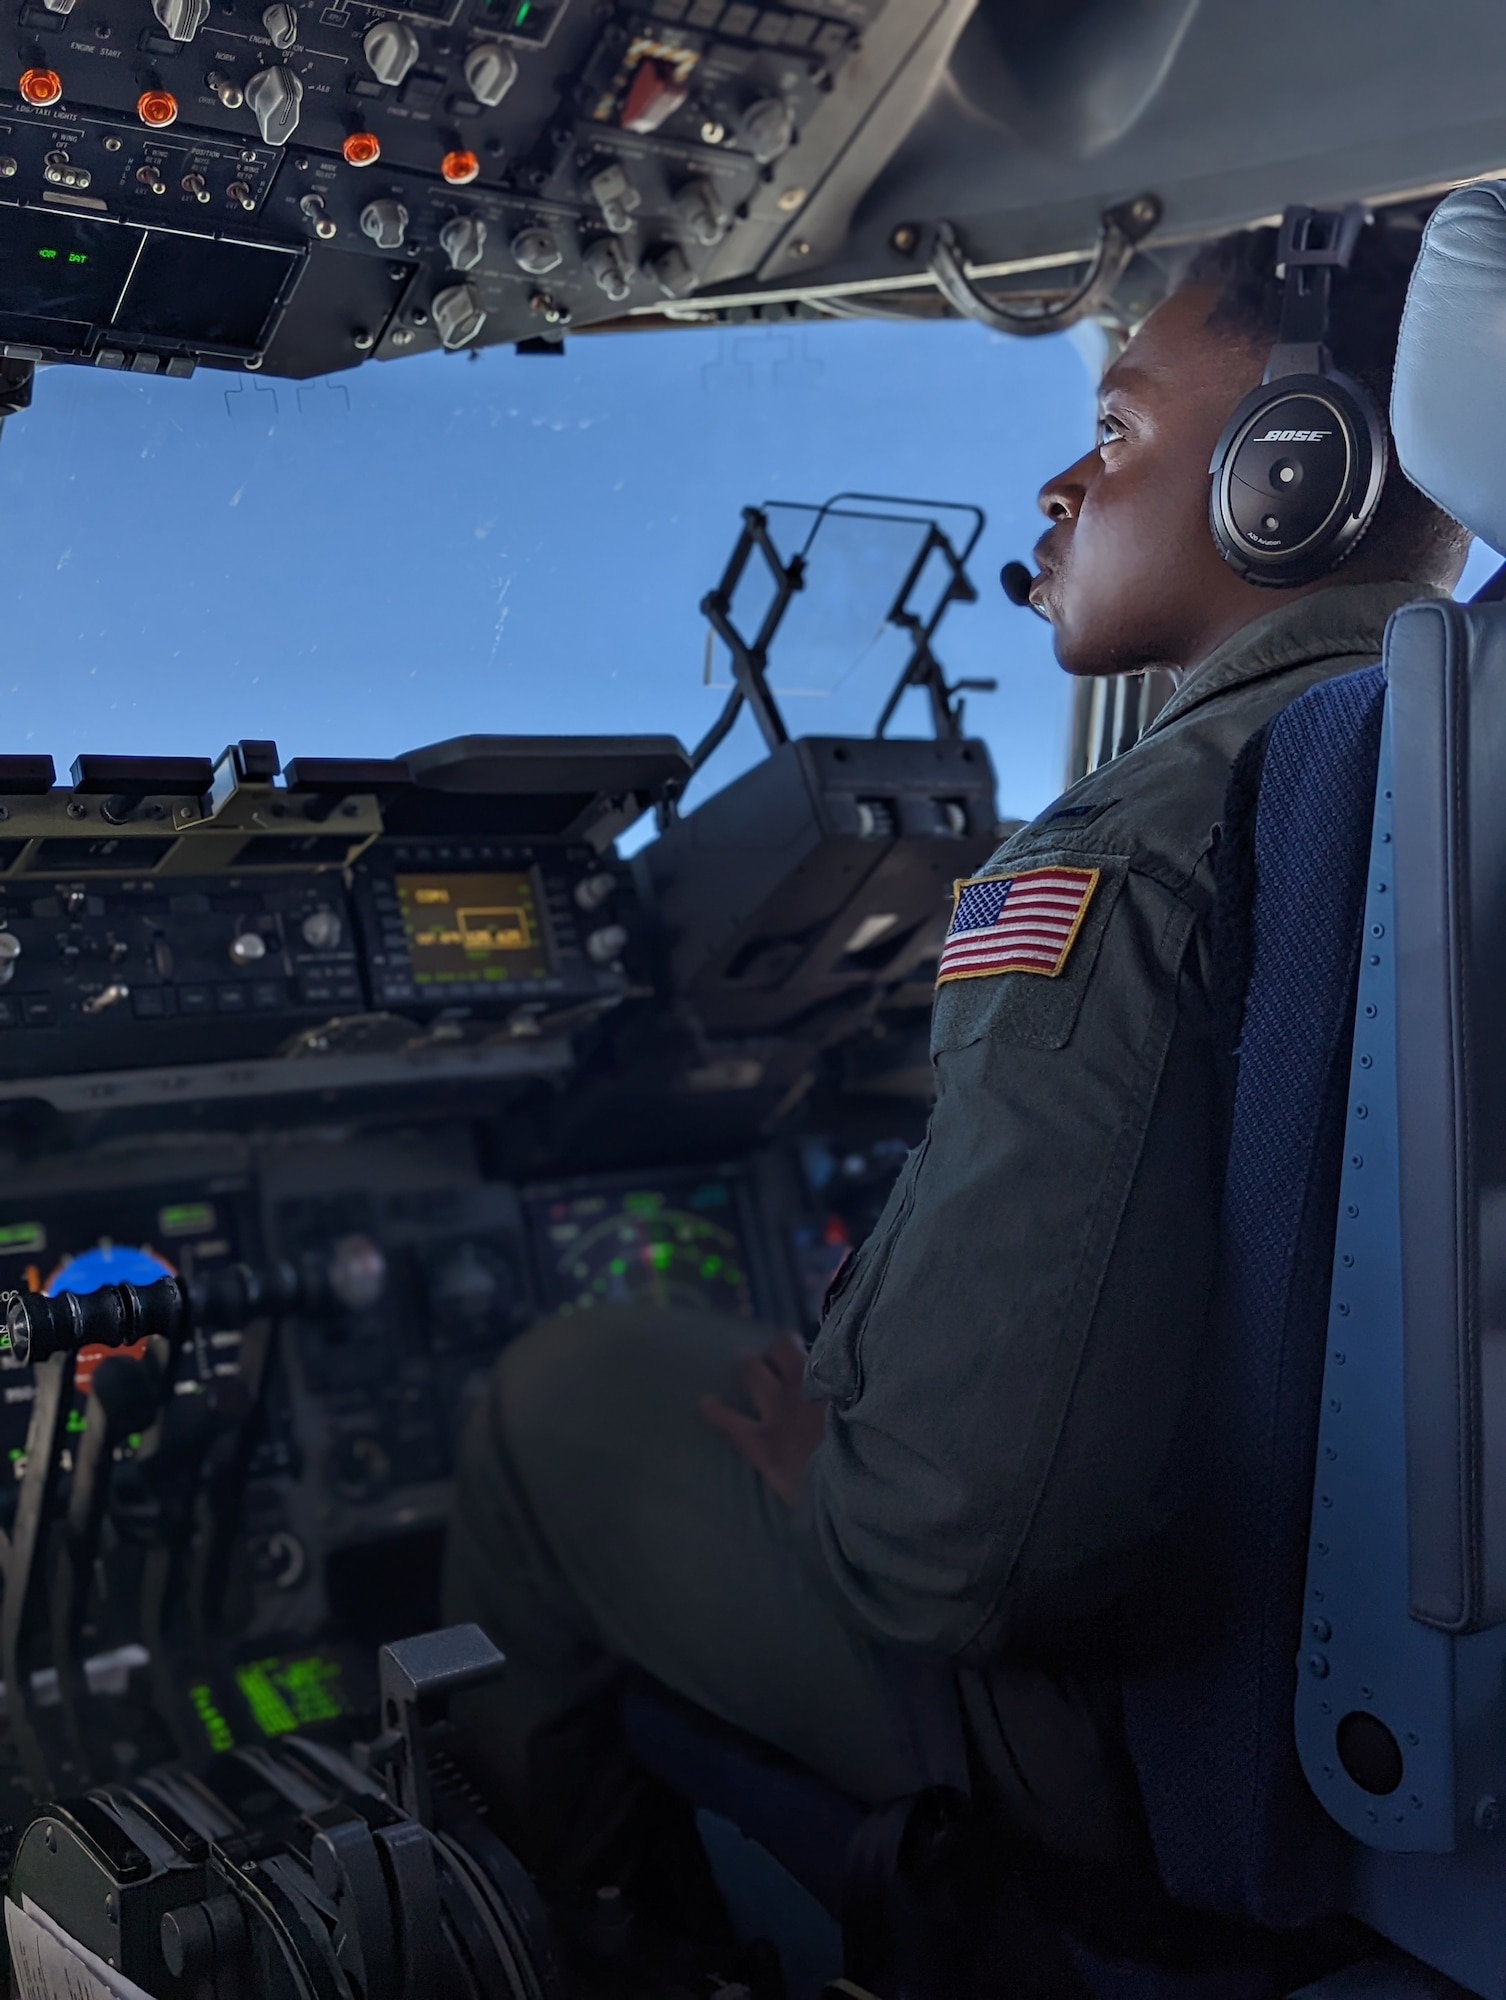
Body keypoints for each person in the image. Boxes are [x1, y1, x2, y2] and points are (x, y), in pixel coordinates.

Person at [441, 218, 1471, 1913]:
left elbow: (968, 1558)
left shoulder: (1135, 844)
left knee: (554, 1395)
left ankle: (586, 1946)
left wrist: (822, 1479)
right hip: (1384, 1666)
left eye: (1117, 429)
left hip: (1115, 1739)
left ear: (1294, 473)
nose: (1060, 487)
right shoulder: (1434, 770)